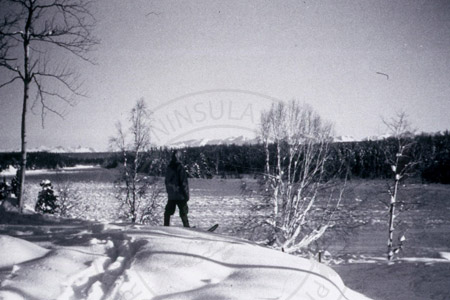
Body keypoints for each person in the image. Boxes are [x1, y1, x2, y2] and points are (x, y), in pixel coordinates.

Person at [164, 150, 190, 227]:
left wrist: (169, 192)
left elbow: (166, 181)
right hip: (180, 195)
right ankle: (187, 227)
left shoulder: (169, 167)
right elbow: (183, 182)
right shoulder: (180, 167)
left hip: (172, 195)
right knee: (183, 212)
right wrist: (186, 195)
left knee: (168, 212)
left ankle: (166, 226)